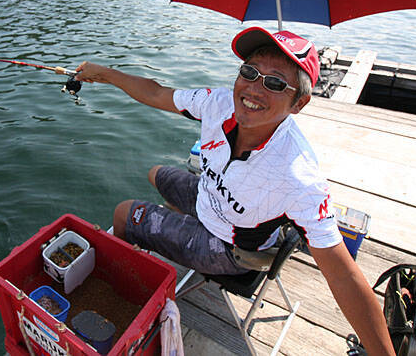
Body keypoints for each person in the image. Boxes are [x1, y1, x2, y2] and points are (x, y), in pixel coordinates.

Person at [74, 26, 394, 355]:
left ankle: (123, 297)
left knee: (124, 213)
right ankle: (174, 233)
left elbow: (344, 276)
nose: (254, 89)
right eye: (250, 72)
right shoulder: (218, 103)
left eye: (275, 83)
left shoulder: (298, 178)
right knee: (156, 173)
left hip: (231, 248)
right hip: (209, 198)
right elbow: (157, 93)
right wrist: (105, 74)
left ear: (299, 103)